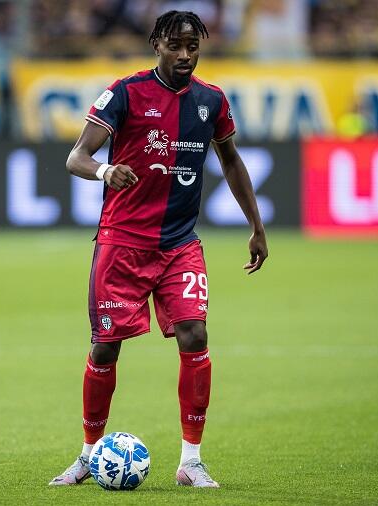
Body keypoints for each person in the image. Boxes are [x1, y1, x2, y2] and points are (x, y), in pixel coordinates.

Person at [49, 10, 267, 488]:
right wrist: (106, 171)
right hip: (122, 242)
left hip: (179, 243)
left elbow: (231, 161)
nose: (185, 55)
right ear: (157, 45)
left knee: (195, 335)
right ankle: (88, 454)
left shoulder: (212, 100)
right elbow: (76, 157)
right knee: (105, 346)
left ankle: (191, 461)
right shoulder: (125, 93)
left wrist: (256, 225)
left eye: (193, 46)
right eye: (176, 45)